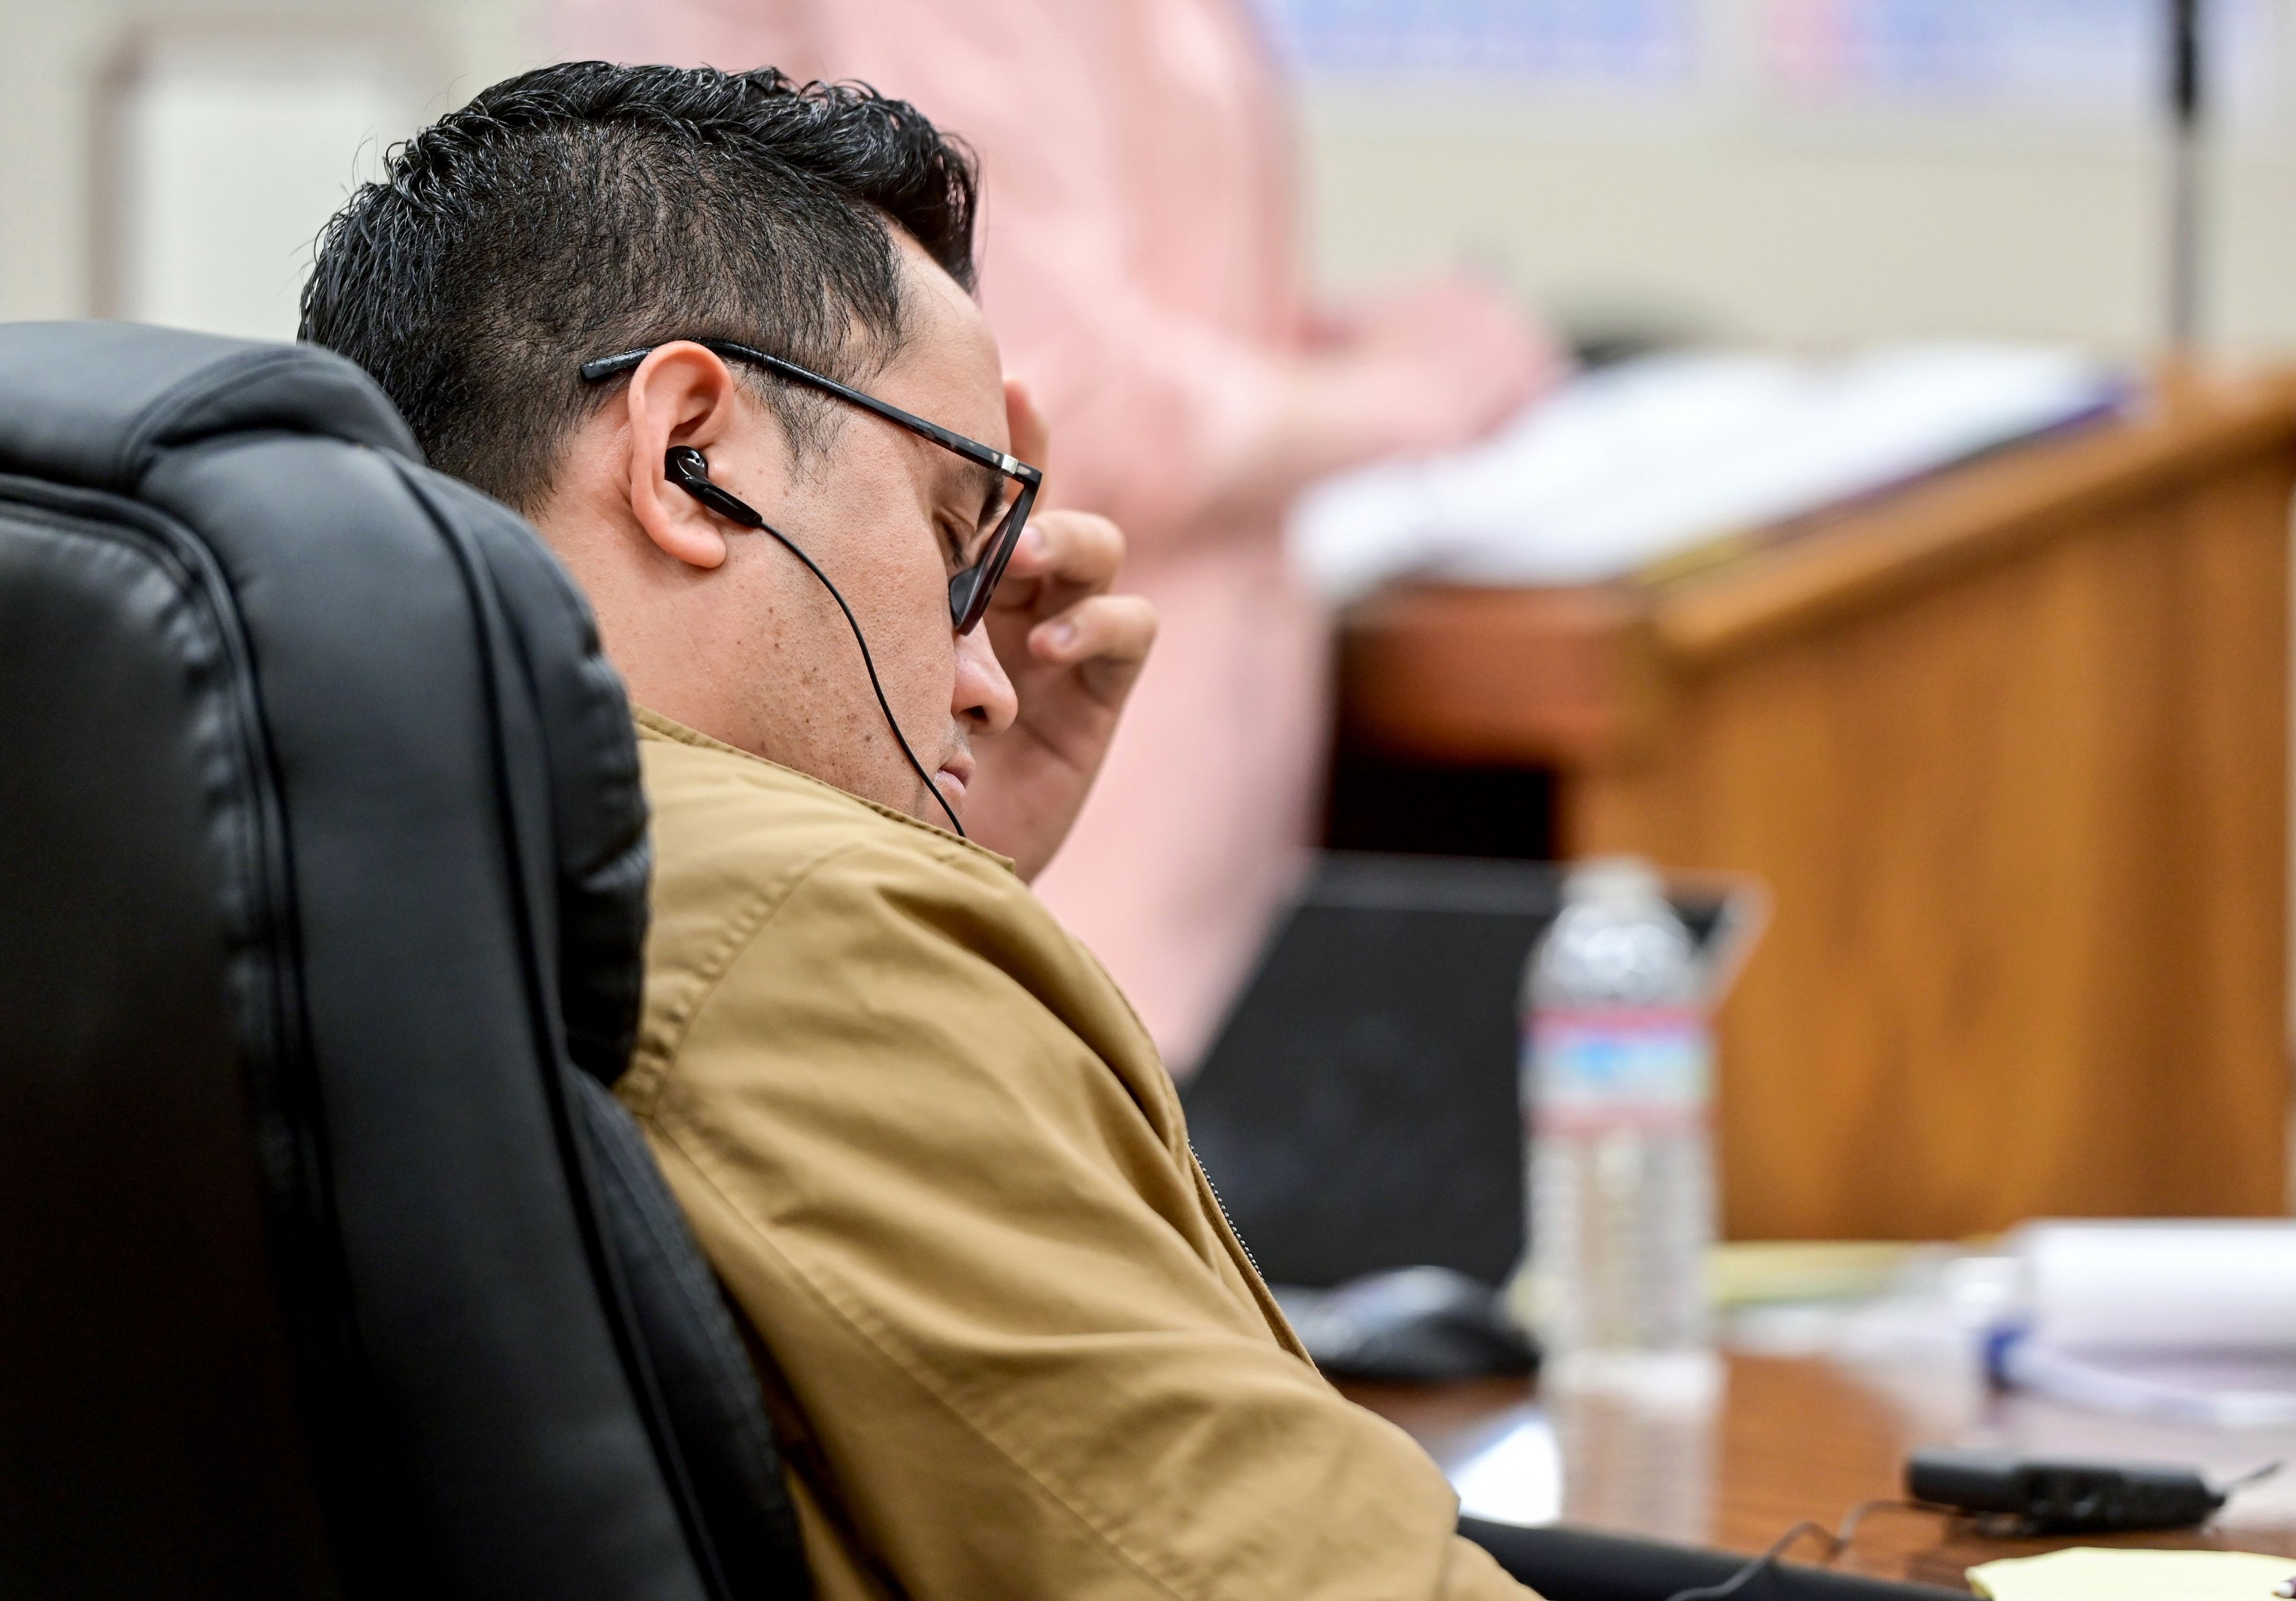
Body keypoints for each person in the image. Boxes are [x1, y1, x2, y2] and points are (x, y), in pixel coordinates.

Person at [300, 63, 1537, 1599]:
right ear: (697, 453)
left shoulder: (335, 826)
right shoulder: (799, 930)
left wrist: (947, 861)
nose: (990, 681)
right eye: (955, 539)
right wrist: (899, 904)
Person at [551, 0, 1568, 1068]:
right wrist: (1414, 397)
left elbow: (1126, 282)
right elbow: (1033, 382)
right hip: (1034, 778)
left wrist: (1331, 340)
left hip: (1136, 794)